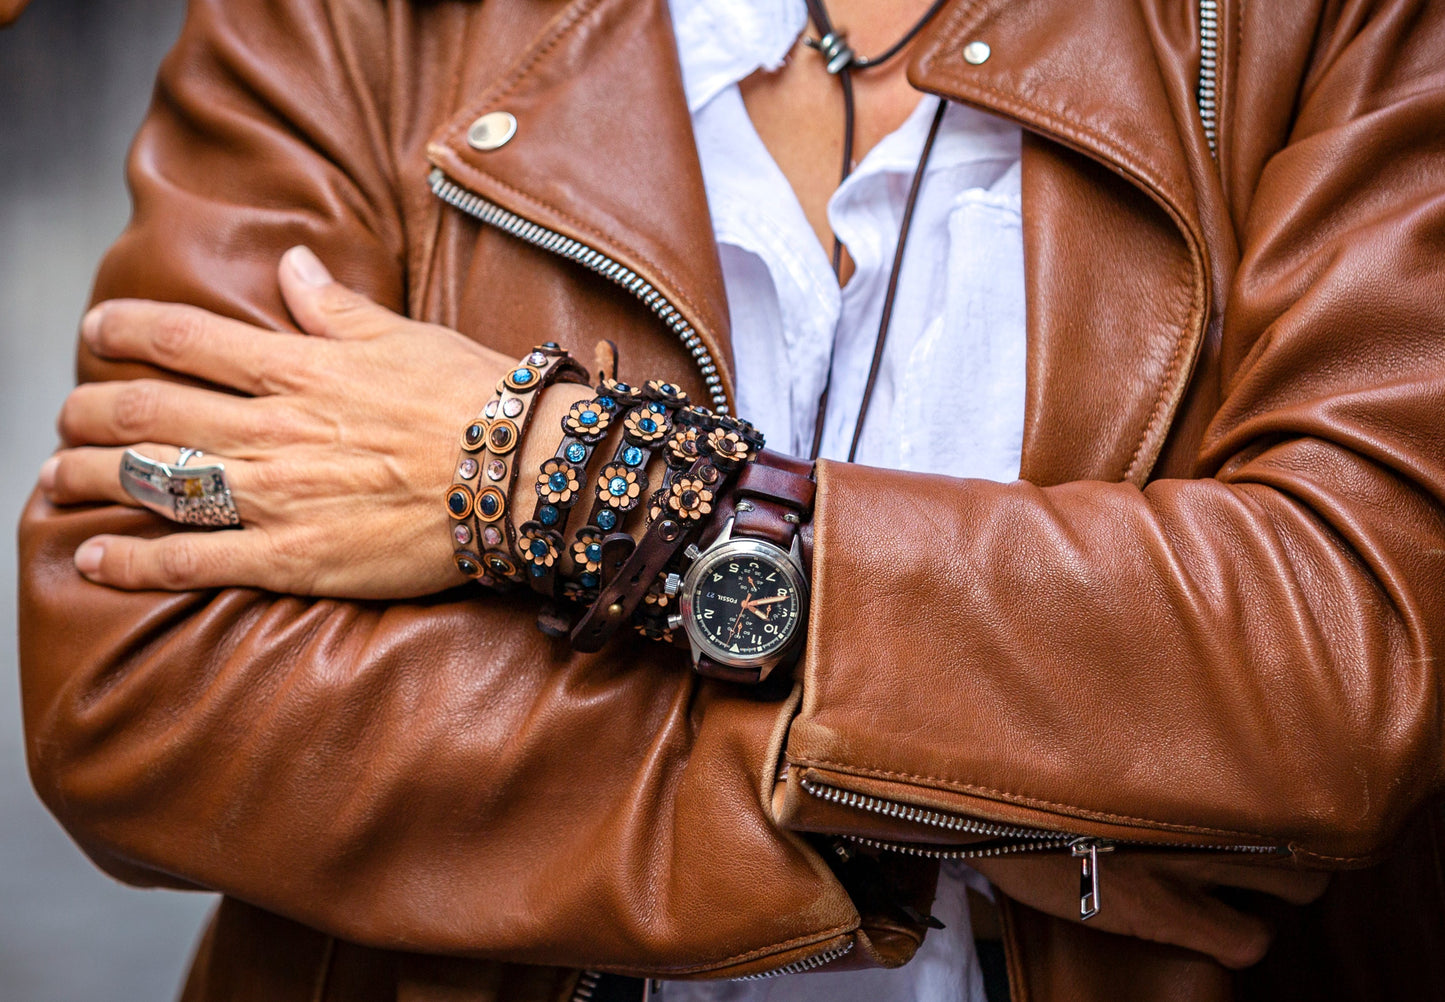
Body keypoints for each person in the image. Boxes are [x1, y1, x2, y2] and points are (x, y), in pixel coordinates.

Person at [16, 0, 1445, 999]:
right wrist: (992, 799)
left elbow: (1339, 647)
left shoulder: (1329, 27)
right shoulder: (368, 22)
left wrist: (571, 479)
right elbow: (142, 668)